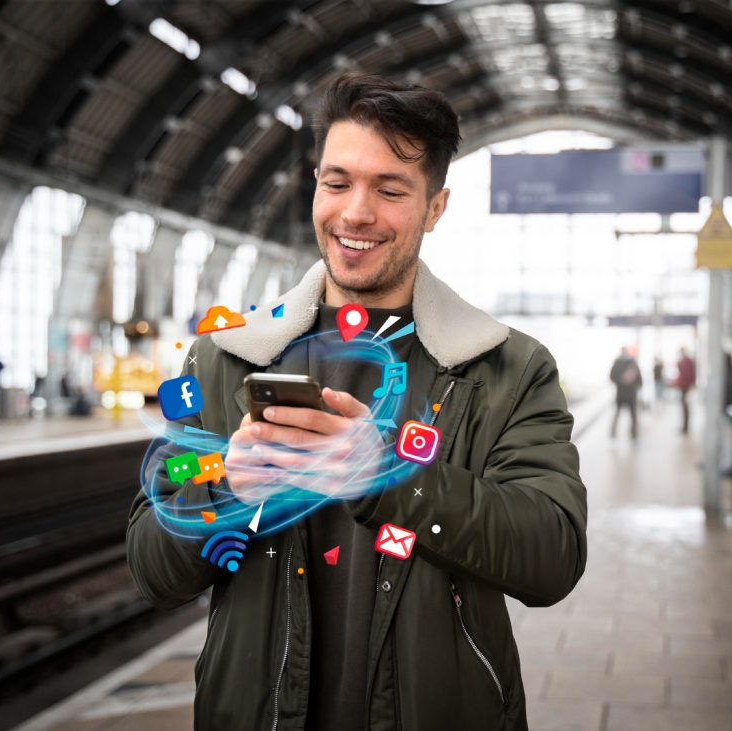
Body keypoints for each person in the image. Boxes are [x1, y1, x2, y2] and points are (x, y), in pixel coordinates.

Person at [126, 74, 588, 730]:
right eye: (337, 182)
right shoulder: (226, 357)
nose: (355, 213)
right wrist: (221, 484)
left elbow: (553, 557)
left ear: (435, 207)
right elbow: (150, 562)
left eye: (390, 189)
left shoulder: (505, 369)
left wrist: (391, 479)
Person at [609, 347, 642, 438]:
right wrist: (622, 380)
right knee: (617, 413)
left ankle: (633, 433)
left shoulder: (632, 363)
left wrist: (634, 383)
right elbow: (612, 376)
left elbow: (639, 378)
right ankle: (613, 432)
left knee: (633, 415)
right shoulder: (618, 362)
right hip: (622, 393)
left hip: (630, 393)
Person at [675, 348, 697, 434]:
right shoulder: (684, 361)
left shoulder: (688, 361)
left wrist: (691, 384)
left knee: (685, 406)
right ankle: (684, 426)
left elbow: (690, 374)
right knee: (684, 406)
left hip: (686, 386)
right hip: (683, 386)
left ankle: (686, 427)